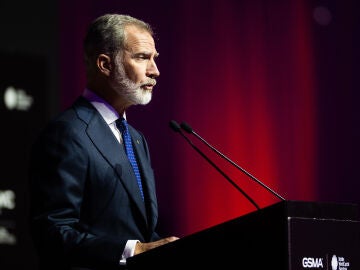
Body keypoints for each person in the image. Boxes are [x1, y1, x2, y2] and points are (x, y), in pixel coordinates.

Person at [28, 13, 179, 270]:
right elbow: (52, 234)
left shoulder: (136, 139)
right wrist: (132, 250)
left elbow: (138, 230)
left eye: (154, 59)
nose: (155, 70)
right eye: (142, 57)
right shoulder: (67, 133)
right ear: (105, 64)